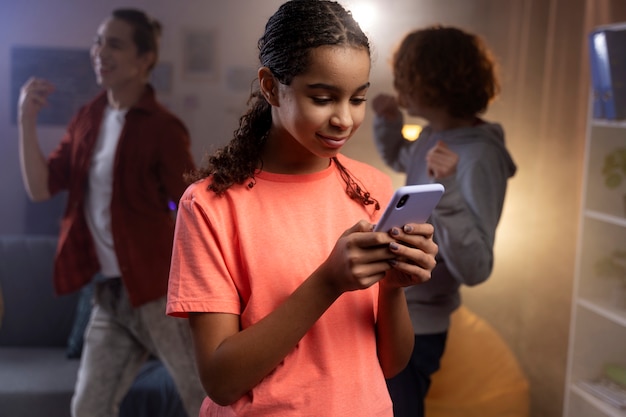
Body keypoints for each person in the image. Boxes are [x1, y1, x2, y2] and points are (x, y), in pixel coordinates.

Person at [165, 1, 439, 416]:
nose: (344, 119)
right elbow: (221, 382)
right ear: (271, 87)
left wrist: (394, 288)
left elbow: (390, 364)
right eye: (324, 98)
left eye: (358, 98)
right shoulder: (210, 206)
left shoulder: (372, 188)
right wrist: (327, 283)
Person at [17, 8, 204, 417]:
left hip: (157, 294)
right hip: (109, 294)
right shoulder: (87, 118)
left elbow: (193, 206)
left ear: (144, 60)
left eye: (114, 44)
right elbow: (40, 187)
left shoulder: (162, 128)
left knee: (202, 399)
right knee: (88, 408)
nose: (100, 51)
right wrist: (26, 120)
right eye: (98, 41)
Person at [371, 25, 517, 417]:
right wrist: (388, 123)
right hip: (397, 306)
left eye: (407, 78)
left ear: (434, 83)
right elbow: (405, 160)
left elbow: (476, 268)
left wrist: (448, 188)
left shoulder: (480, 157)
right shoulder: (436, 135)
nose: (399, 86)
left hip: (419, 325)